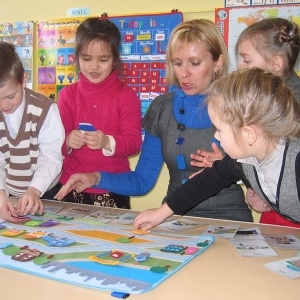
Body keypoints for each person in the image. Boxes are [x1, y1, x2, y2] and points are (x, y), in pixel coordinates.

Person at [55, 19, 253, 222]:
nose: (183, 73)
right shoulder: (162, 109)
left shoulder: (239, 106)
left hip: (227, 217)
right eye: (177, 63)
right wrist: (96, 177)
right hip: (173, 215)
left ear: (218, 63)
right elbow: (142, 181)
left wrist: (232, 168)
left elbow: (265, 169)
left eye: (194, 63)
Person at [134, 68, 300, 231]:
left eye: (220, 129)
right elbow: (205, 182)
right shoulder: (242, 161)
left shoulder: (295, 162)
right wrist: (161, 213)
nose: (216, 136)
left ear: (249, 134)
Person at [190, 17, 300, 226]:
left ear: (276, 64)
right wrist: (248, 180)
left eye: (247, 60)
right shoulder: (255, 101)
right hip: (276, 216)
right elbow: (262, 159)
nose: (240, 66)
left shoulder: (291, 108)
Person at [48, 17, 142, 209]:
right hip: (71, 184)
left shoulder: (126, 96)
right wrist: (67, 141)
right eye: (86, 58)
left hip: (112, 187)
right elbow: (52, 143)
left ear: (115, 59)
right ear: (77, 57)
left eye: (103, 59)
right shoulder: (67, 95)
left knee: (109, 239)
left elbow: (134, 143)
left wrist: (107, 142)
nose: (94, 66)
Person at [0, 41, 64, 222]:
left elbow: (50, 157)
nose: (4, 105)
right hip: (8, 192)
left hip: (45, 192)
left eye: (10, 97)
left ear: (23, 81)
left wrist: (34, 190)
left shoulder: (45, 110)